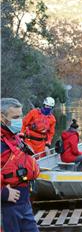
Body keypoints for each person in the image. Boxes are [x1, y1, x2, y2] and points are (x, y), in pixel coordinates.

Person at [1, 98, 40, 232]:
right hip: (7, 207)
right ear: (2, 117)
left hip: (24, 202)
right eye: (15, 117)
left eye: (20, 116)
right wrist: (3, 193)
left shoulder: (15, 137)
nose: (20, 121)